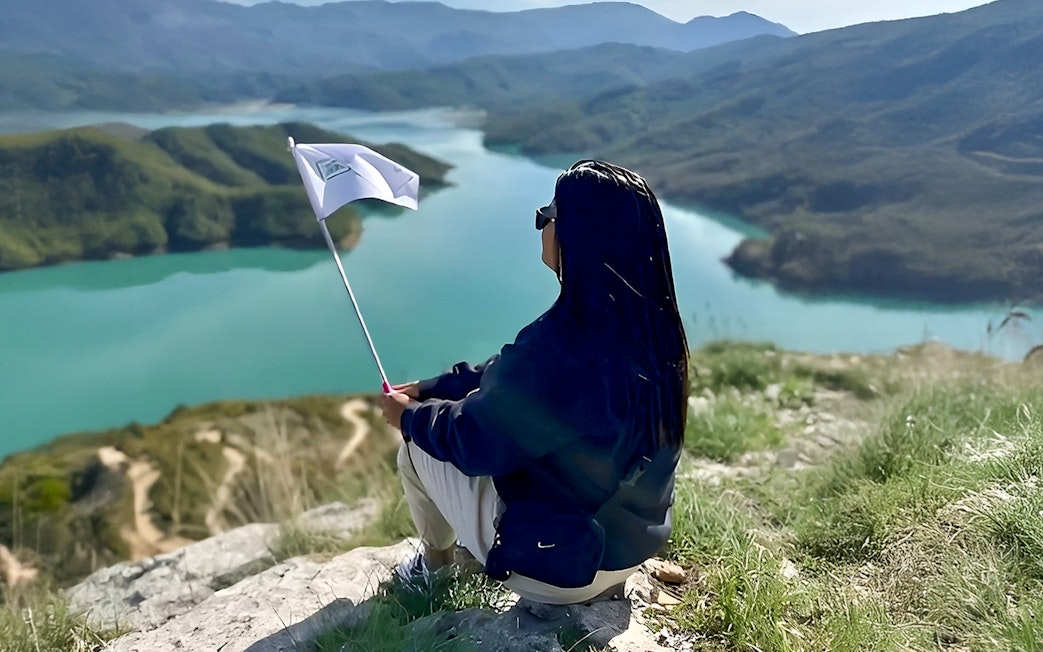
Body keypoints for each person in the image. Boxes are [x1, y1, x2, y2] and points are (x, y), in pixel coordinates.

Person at [379, 159, 689, 605]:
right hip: (628, 550)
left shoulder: (561, 344)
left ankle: (433, 571)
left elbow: (472, 440)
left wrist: (410, 418)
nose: (542, 223)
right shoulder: (657, 337)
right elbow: (508, 376)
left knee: (416, 450)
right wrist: (432, 388)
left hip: (560, 570)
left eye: (548, 214)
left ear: (576, 234)